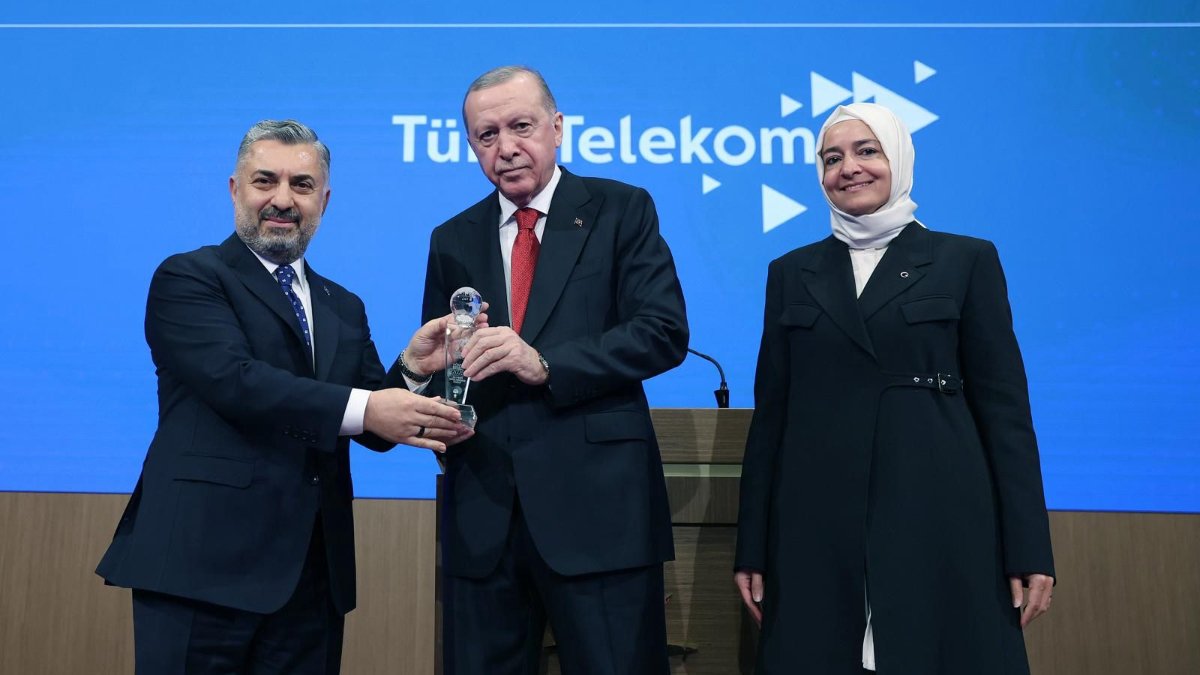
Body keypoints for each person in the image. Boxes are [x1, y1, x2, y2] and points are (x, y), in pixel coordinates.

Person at [96, 119, 476, 674]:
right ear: (235, 189)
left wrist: (414, 367)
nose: (282, 199)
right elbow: (237, 381)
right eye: (265, 180)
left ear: (324, 200)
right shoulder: (190, 277)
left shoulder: (343, 305)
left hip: (311, 580)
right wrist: (369, 408)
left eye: (301, 185)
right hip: (200, 570)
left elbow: (371, 423)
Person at [734, 103, 1055, 674]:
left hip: (938, 512)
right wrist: (753, 546)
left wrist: (1029, 547)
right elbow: (771, 420)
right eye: (832, 158)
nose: (848, 168)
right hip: (816, 521)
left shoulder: (965, 259)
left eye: (867, 151)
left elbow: (1006, 415)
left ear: (900, 159)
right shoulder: (791, 272)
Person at [415, 66, 689, 675]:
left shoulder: (621, 209)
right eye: (487, 135)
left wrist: (544, 363)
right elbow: (446, 369)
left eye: (521, 126)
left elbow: (662, 332)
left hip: (600, 515)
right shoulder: (451, 238)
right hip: (484, 517)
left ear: (557, 127)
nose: (506, 148)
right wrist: (432, 395)